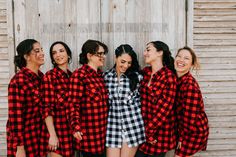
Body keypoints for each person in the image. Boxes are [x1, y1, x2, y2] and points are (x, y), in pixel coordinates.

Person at [67, 39, 109, 157]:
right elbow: (73, 104)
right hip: (88, 137)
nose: (103, 57)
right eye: (99, 54)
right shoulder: (79, 75)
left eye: (103, 54)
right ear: (89, 55)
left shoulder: (100, 76)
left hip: (101, 135)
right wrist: (75, 127)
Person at [135, 41, 177, 157]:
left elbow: (163, 110)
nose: (144, 53)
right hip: (142, 133)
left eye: (148, 50)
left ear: (159, 52)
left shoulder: (169, 77)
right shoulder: (145, 73)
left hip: (159, 136)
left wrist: (149, 133)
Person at [105, 44, 145, 157]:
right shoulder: (106, 77)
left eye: (129, 63)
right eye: (122, 61)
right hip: (113, 127)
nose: (126, 65)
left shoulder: (137, 78)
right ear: (115, 58)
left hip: (132, 126)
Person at [7, 39, 44, 156]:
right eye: (37, 51)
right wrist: (20, 148)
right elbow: (15, 117)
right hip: (24, 142)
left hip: (38, 138)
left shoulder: (42, 78)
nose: (42, 53)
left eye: (41, 50)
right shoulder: (18, 81)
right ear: (27, 56)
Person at [40, 41, 75, 157]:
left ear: (68, 54)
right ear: (52, 58)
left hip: (72, 133)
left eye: (61, 51)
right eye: (54, 53)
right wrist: (52, 135)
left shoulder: (73, 76)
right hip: (58, 133)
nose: (58, 55)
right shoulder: (49, 76)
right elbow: (47, 108)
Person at [174, 46, 209, 157]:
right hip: (185, 130)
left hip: (193, 131)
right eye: (179, 56)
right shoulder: (177, 79)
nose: (181, 60)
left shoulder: (189, 85)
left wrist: (181, 138)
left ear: (192, 64)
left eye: (186, 58)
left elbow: (189, 117)